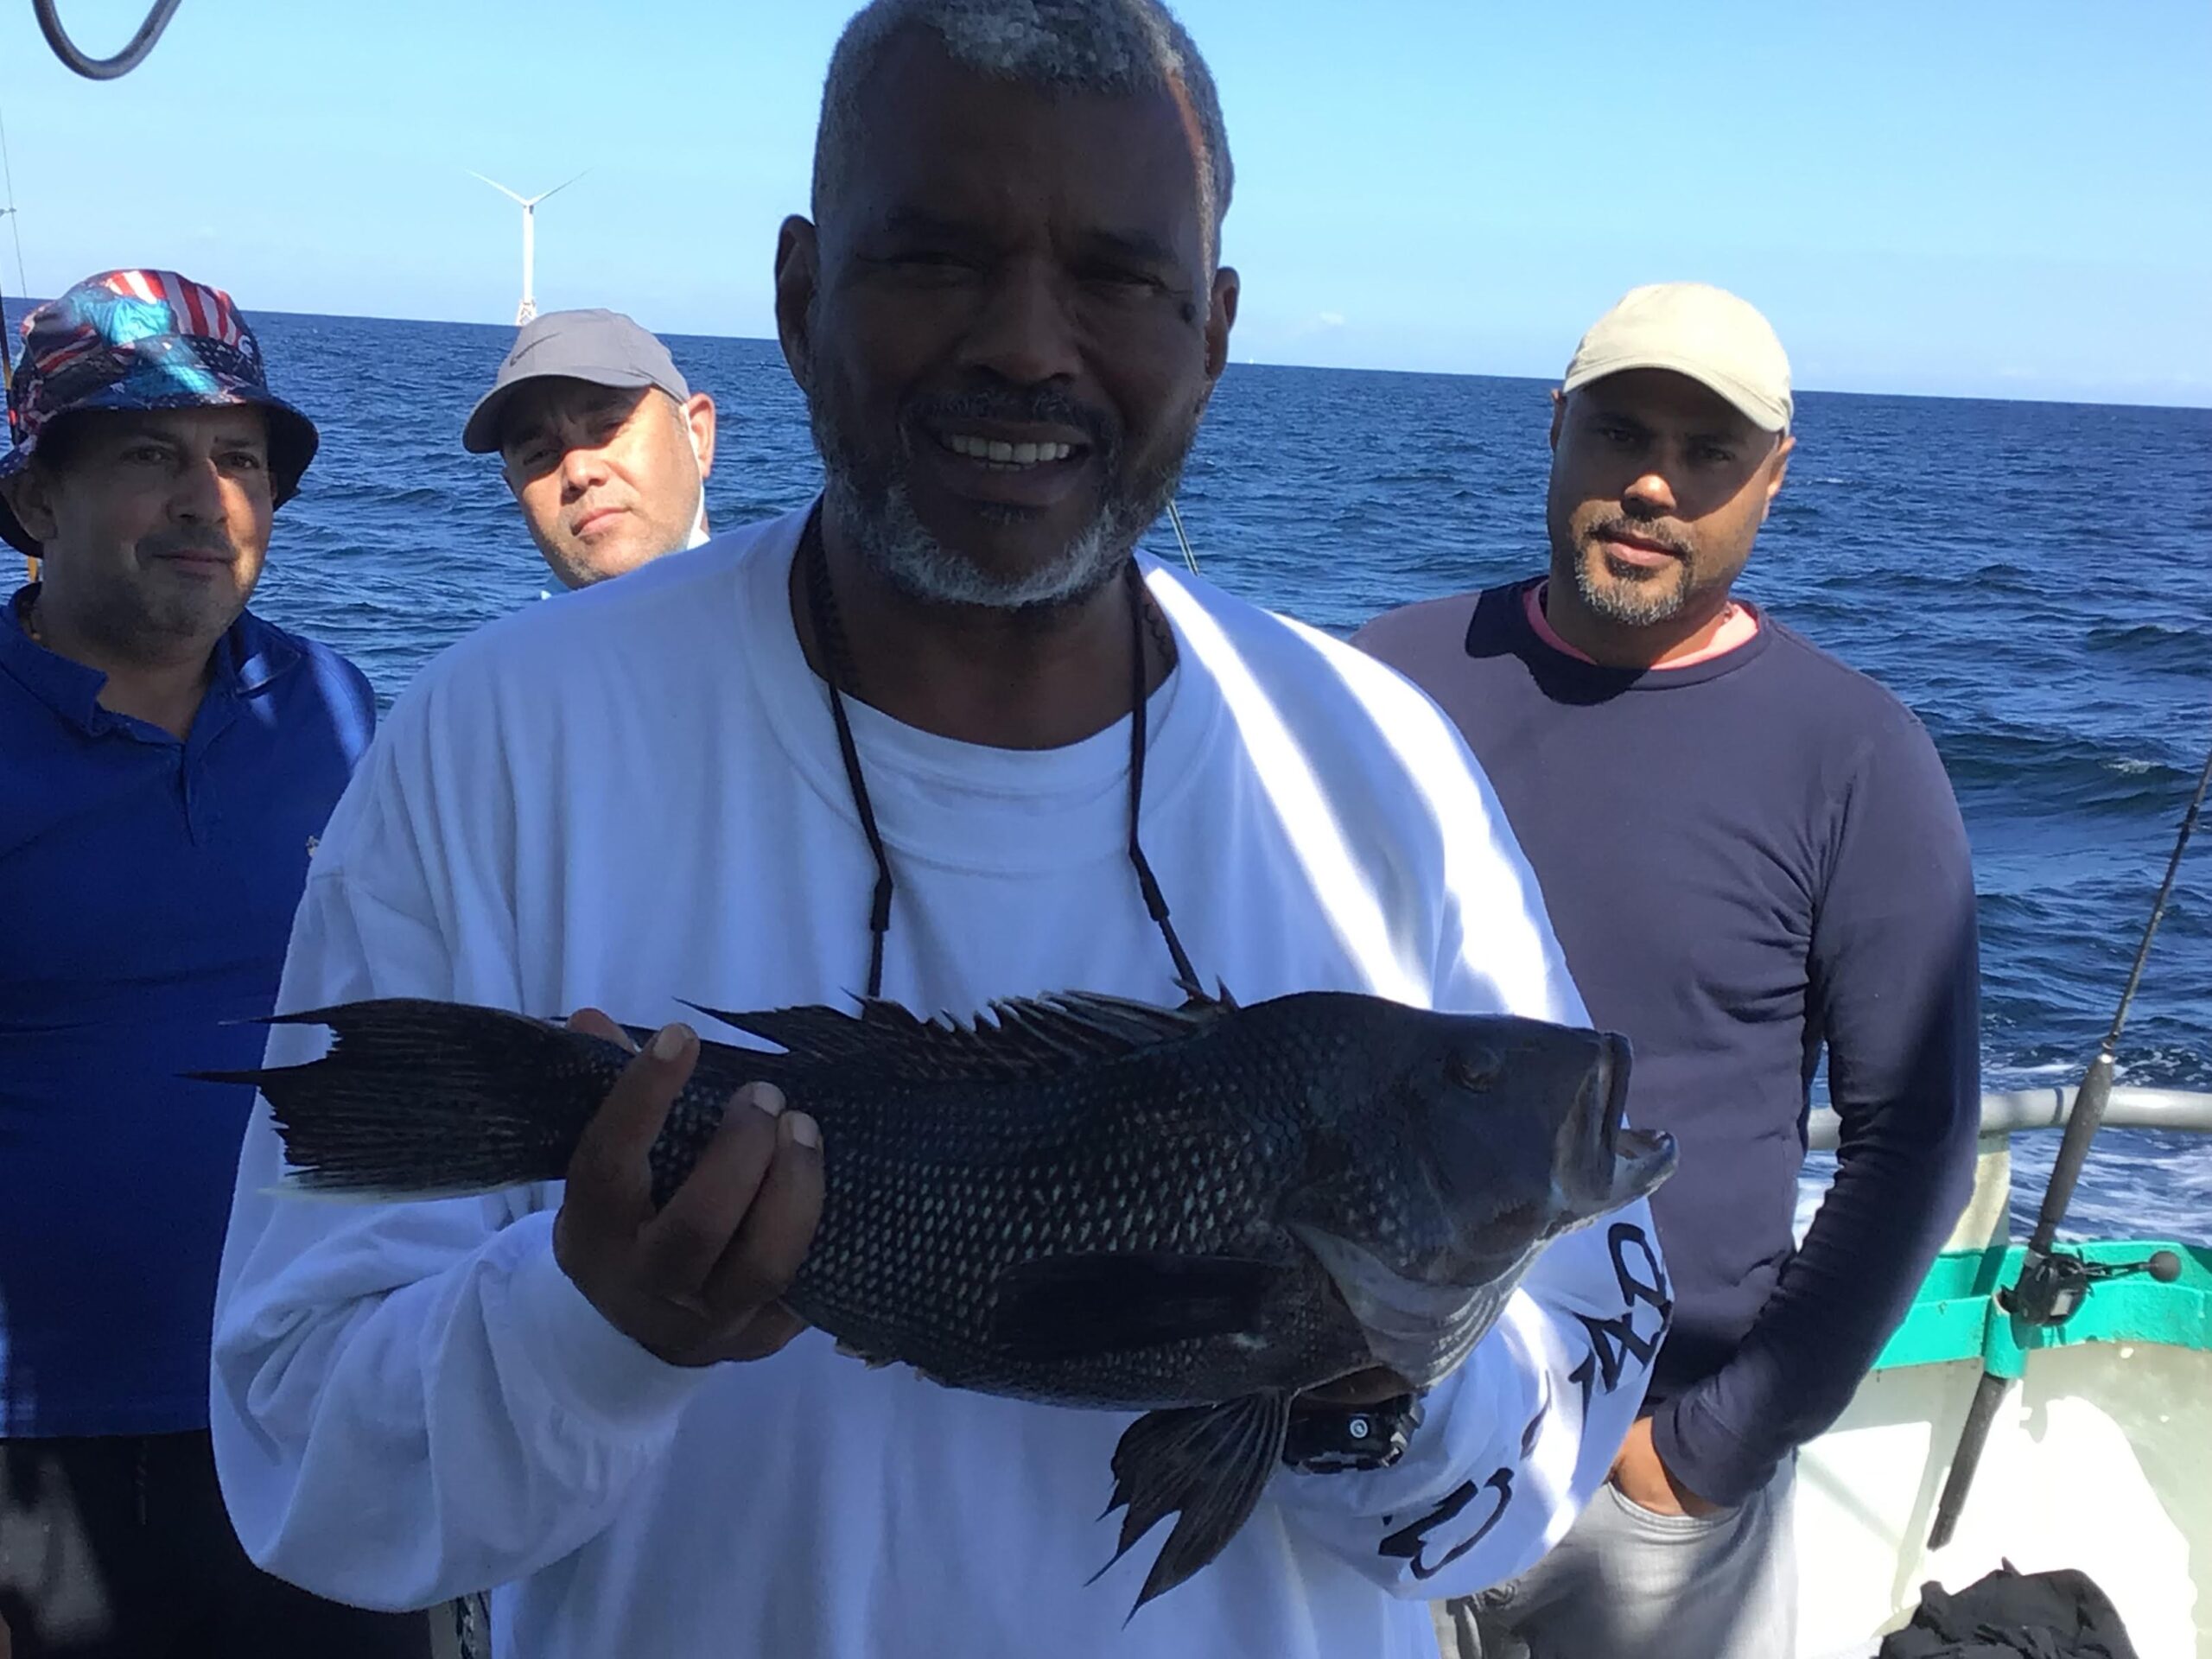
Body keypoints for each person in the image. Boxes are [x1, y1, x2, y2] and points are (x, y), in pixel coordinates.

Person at [206, 5, 1674, 1657]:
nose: (1029, 345)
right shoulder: (501, 739)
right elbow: (302, 1459)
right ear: (798, 299)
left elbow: (1581, 1374)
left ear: (1214, 332)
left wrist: (1355, 1397)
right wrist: (586, 1324)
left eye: (1120, 276)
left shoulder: (1383, 764)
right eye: (937, 257)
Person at [1354, 281, 1982, 1659]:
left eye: (1706, 456)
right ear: (1556, 430)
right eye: (1620, 433)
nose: (1651, 485)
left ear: (1773, 479)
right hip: (1357, 1432)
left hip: (1649, 1488)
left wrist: (1707, 1446)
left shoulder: (1859, 757)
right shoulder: (1377, 686)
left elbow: (1916, 1139)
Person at [0, 270, 430, 1656]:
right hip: (39, 1465)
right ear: (34, 502)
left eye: (239, 460)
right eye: (148, 454)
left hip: (313, 1413)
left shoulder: (332, 704)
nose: (208, 501)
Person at [462, 307, 718, 589]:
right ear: (516, 492)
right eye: (539, 455)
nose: (578, 472)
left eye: (609, 426)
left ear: (697, 435)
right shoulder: (510, 635)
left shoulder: (773, 612)